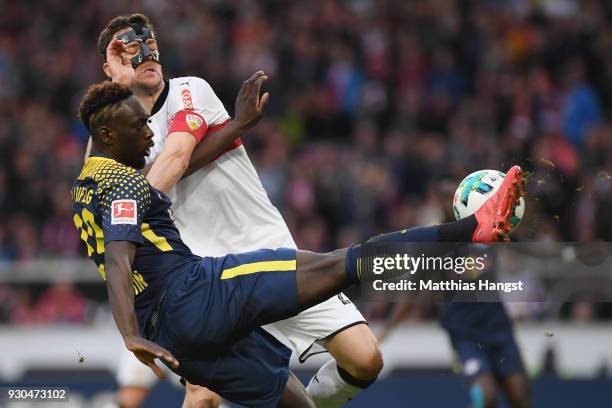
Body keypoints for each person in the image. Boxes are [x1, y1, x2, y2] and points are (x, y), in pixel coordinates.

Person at [72, 81, 524, 407]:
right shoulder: (125, 185)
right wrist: (127, 333)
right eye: (140, 127)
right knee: (345, 263)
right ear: (109, 135)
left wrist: (238, 125)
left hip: (172, 335)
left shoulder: (86, 188)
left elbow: (182, 165)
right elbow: (119, 253)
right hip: (198, 293)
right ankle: (474, 229)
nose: (151, 135)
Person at [92, 13, 384, 407]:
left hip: (268, 247)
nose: (145, 54)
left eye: (150, 46)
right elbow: (98, 191)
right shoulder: (114, 135)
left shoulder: (189, 91)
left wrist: (128, 205)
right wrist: (235, 127)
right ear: (109, 69)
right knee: (203, 397)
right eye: (127, 51)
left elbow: (176, 159)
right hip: (204, 276)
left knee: (366, 359)